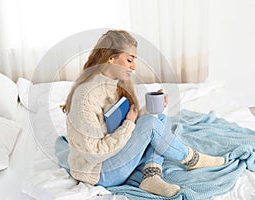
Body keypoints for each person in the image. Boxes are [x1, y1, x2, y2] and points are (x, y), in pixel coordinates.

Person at [58, 30, 225, 198]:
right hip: (99, 172)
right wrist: (129, 124)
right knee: (152, 125)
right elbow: (95, 153)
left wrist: (147, 112)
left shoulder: (114, 85)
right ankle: (192, 159)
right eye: (129, 60)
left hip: (115, 154)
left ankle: (151, 176)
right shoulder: (85, 97)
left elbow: (119, 123)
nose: (134, 67)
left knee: (159, 118)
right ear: (111, 58)